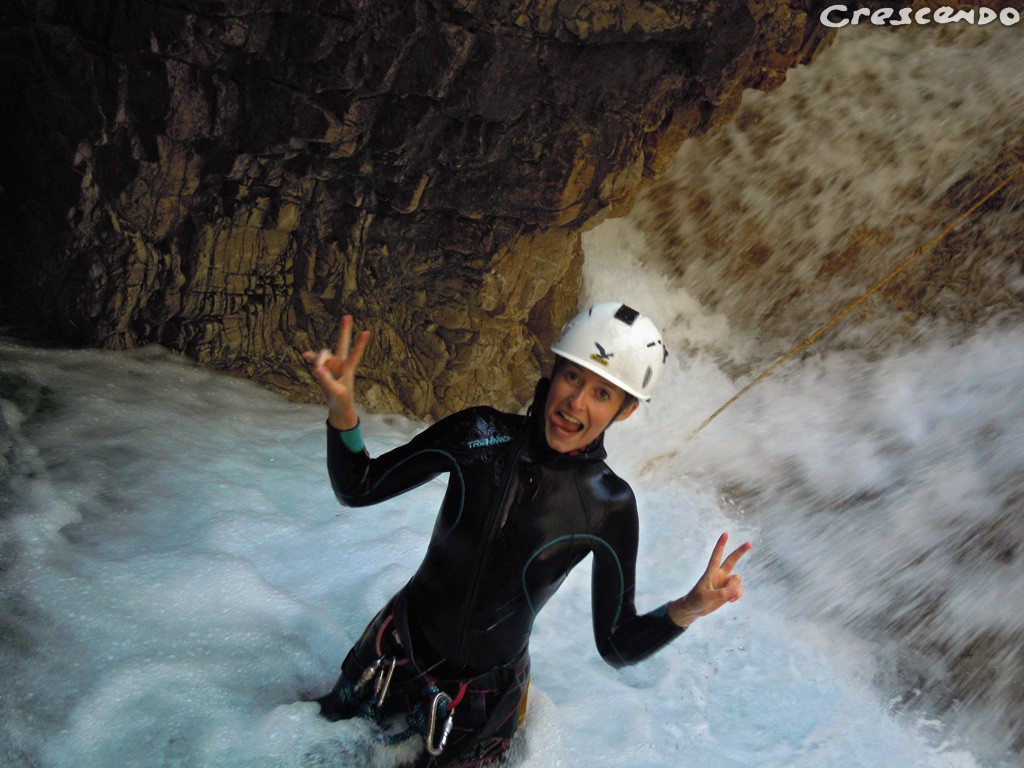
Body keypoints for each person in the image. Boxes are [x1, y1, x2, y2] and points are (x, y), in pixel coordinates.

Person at [303, 302, 751, 767]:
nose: (576, 402)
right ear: (553, 371)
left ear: (626, 409)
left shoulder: (608, 507)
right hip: (396, 648)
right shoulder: (477, 433)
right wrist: (343, 411)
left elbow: (616, 646)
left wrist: (688, 609)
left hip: (482, 702)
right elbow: (359, 487)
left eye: (602, 393)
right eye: (573, 377)